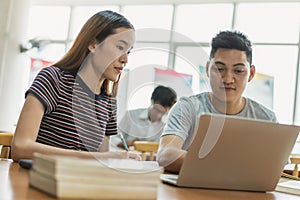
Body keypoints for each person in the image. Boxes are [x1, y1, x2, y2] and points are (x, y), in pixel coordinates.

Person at [11, 10, 140, 161]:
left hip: (78, 181)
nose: (125, 59)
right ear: (93, 44)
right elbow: (20, 147)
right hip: (38, 180)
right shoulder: (53, 79)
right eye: (120, 47)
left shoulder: (108, 100)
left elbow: (100, 161)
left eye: (128, 52)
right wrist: (94, 157)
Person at [156, 30, 277, 173]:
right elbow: (166, 155)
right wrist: (227, 167)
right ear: (207, 69)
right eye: (219, 69)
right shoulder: (187, 108)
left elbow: (276, 167)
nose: (227, 79)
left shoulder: (266, 118)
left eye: (238, 71)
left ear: (250, 74)